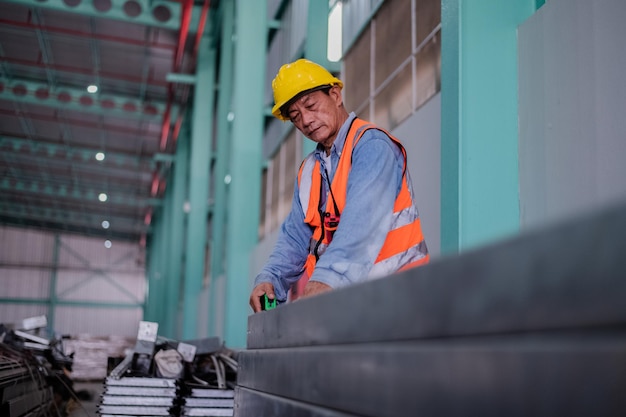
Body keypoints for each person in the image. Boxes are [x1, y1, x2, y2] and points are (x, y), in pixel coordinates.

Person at [249, 58, 429, 313]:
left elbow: (361, 224)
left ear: (335, 95)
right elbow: (295, 238)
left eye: (311, 106)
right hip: (353, 308)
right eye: (296, 116)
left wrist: (326, 278)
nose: (307, 120)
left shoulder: (372, 146)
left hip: (400, 299)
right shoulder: (310, 170)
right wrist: (270, 278)